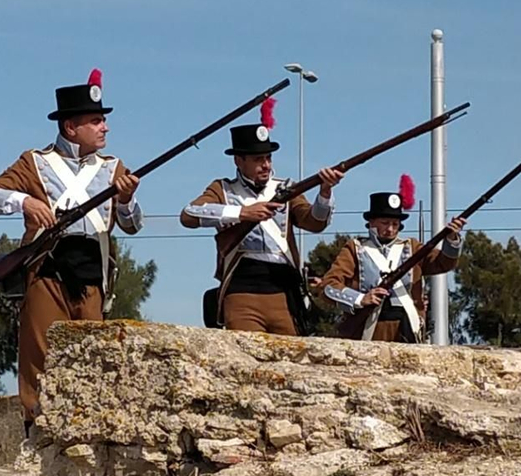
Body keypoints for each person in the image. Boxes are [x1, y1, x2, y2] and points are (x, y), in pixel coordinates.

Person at [0, 69, 141, 428]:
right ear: (70, 127)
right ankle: (36, 434)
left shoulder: (113, 168)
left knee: (93, 363)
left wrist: (127, 200)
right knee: (40, 361)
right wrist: (24, 202)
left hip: (92, 276)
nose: (105, 127)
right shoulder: (35, 163)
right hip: (46, 273)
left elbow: (131, 224)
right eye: (95, 121)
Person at [180, 104, 342, 335]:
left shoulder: (287, 188)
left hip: (284, 291)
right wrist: (242, 213)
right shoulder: (223, 189)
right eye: (258, 159)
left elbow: (314, 222)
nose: (266, 165)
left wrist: (325, 192)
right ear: (239, 160)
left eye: (268, 157)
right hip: (242, 291)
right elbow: (189, 214)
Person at [318, 175, 467, 342]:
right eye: (385, 222)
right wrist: (360, 299)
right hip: (366, 329)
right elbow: (328, 285)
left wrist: (451, 238)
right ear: (372, 222)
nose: (390, 229)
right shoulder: (355, 248)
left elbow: (443, 263)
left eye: (395, 224)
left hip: (408, 327)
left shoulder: (412, 247)